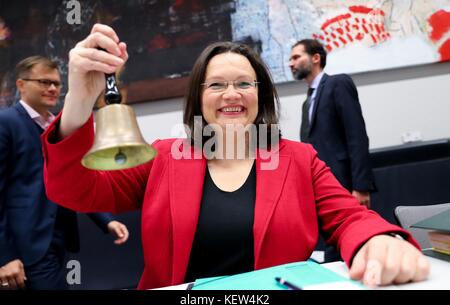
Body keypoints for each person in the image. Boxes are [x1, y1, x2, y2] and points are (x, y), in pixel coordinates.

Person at [41, 24, 428, 290]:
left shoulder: (298, 159)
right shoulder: (163, 158)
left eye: (245, 83)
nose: (231, 94)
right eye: (217, 85)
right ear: (199, 98)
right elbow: (74, 191)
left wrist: (377, 240)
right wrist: (79, 99)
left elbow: (350, 218)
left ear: (260, 96)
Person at [0, 56, 130, 290]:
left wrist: (106, 220)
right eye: (43, 82)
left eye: (57, 84)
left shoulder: (59, 126)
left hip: (58, 239)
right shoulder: (5, 122)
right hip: (24, 244)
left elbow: (76, 178)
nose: (52, 89)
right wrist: (5, 256)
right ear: (21, 85)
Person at [289, 39, 376, 262]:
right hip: (322, 188)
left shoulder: (338, 84)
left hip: (346, 185)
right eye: (290, 58)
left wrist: (361, 186)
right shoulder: (307, 102)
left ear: (315, 58)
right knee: (333, 247)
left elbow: (356, 135)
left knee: (355, 243)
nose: (291, 63)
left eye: (297, 57)